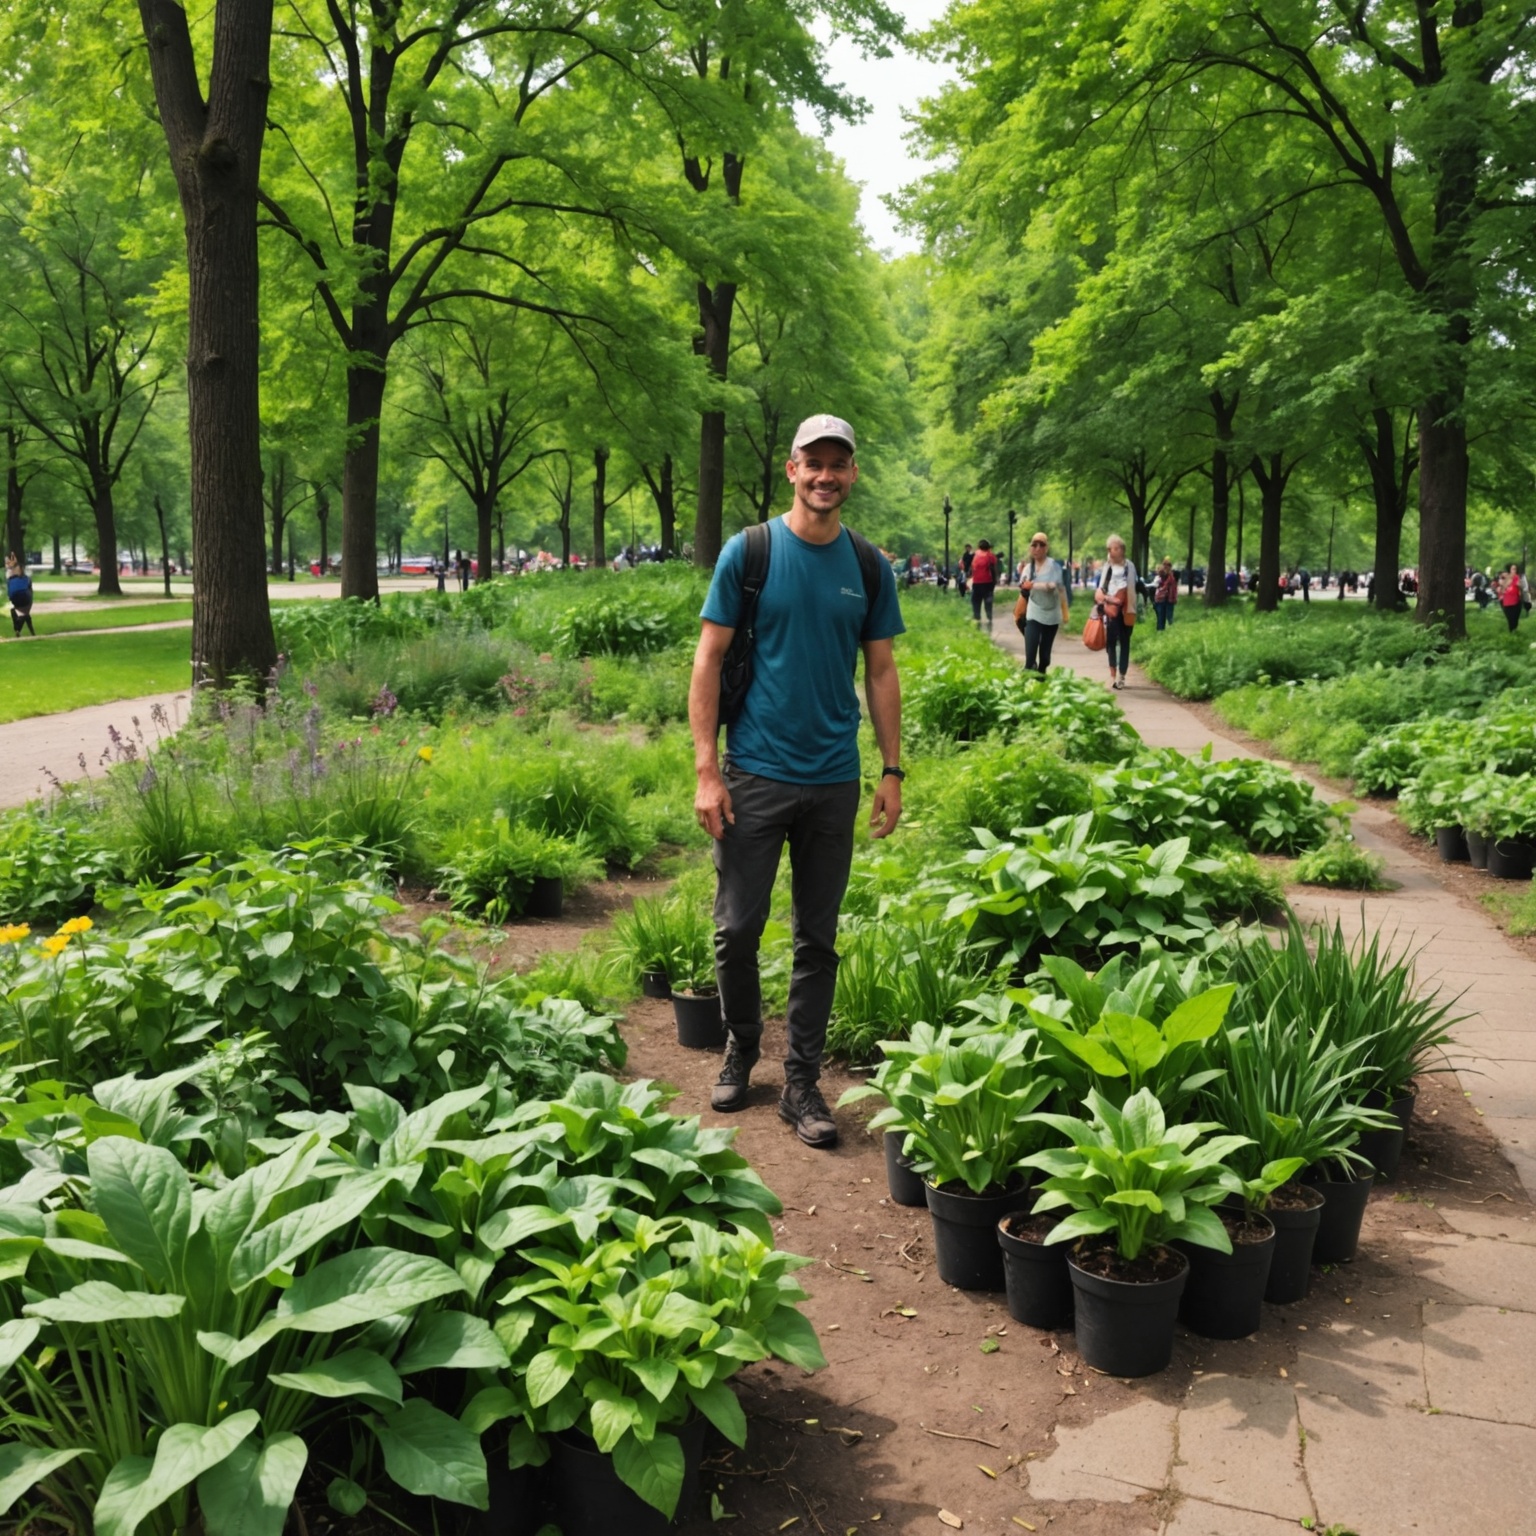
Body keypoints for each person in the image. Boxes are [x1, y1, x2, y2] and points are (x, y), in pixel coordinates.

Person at [691, 413, 904, 1149]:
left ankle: (802, 1082)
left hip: (834, 780)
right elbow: (708, 658)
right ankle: (742, 1046)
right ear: (792, 469)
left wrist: (892, 769)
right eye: (814, 463)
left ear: (852, 474)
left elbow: (881, 670)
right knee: (736, 929)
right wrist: (707, 770)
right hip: (753, 773)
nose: (825, 476)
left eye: (838, 464)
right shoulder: (750, 552)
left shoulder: (868, 566)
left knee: (819, 938)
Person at [1016, 532, 1068, 672]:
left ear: (1047, 548)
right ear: (1030, 548)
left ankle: (1041, 676)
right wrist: (1024, 587)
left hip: (1051, 615)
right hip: (1034, 612)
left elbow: (1051, 586)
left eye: (1042, 545)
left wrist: (1033, 585)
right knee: (1029, 659)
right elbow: (1023, 586)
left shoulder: (1054, 566)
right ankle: (1029, 676)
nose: (1037, 548)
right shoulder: (1028, 568)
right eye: (1034, 545)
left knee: (1044, 659)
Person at [1094, 535, 1138, 690]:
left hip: (1126, 609)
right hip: (1111, 609)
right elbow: (1101, 589)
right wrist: (1107, 599)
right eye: (1110, 549)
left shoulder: (1130, 566)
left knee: (1125, 641)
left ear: (1122, 550)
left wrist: (1130, 605)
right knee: (1111, 642)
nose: (1112, 551)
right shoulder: (1107, 567)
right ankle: (1112, 675)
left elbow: (1133, 587)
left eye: (1115, 548)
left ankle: (1122, 675)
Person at [969, 538, 999, 631]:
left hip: (976, 583)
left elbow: (971, 569)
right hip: (988, 583)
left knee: (976, 601)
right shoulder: (991, 556)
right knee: (988, 601)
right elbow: (994, 569)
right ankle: (989, 618)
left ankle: (977, 617)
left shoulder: (975, 555)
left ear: (979, 547)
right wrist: (995, 581)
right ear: (988, 547)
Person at [6, 555, 35, 638]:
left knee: (22, 613)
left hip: (14, 598)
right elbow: (30, 589)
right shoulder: (26, 578)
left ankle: (22, 630)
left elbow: (9, 590)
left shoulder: (10, 579)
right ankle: (19, 629)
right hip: (25, 597)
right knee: (25, 614)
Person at [1153, 557, 1178, 630]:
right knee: (1161, 616)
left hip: (1167, 598)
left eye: (1168, 565)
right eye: (1165, 565)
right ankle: (1161, 629)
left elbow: (1173, 589)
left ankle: (1165, 629)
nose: (1166, 567)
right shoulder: (1163, 575)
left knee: (1167, 616)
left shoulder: (1171, 577)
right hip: (1162, 598)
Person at [1500, 564, 1524, 632]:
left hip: (1515, 601)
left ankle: (1514, 629)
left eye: (1515, 569)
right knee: (1510, 618)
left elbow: (1521, 587)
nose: (1514, 570)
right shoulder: (1506, 578)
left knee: (1515, 617)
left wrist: (1520, 586)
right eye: (1513, 569)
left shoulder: (1517, 577)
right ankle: (1511, 630)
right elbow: (1502, 590)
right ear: (1509, 570)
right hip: (1507, 601)